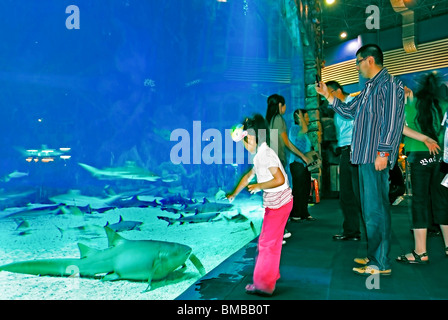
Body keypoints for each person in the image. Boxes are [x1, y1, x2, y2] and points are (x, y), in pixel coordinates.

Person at [316, 44, 405, 276]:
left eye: (358, 61)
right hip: (362, 156)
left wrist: (384, 153)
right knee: (370, 209)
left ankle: (380, 262)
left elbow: (394, 123)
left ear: (370, 60)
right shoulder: (368, 89)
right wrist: (327, 94)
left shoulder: (390, 85)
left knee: (376, 209)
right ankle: (375, 254)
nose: (356, 66)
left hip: (375, 156)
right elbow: (347, 111)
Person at [227, 114, 293, 296]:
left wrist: (259, 185)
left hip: (279, 203)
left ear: (258, 137)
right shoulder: (259, 154)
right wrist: (234, 193)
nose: (245, 144)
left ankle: (264, 285)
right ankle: (268, 277)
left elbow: (279, 179)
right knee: (269, 242)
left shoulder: (266, 154)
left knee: (266, 243)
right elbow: (248, 176)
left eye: (247, 139)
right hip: (277, 203)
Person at [396, 72, 448, 264]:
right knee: (442, 200)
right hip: (441, 157)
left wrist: (424, 139)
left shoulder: (409, 105)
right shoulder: (443, 105)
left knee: (420, 202)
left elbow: (400, 127)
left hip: (419, 157)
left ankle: (420, 251)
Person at [325, 81, 362, 241]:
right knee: (347, 193)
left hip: (355, 149)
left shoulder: (351, 103)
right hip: (346, 151)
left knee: (357, 193)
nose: (327, 97)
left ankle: (365, 232)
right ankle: (351, 231)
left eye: (329, 93)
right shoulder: (337, 108)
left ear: (338, 90)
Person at [288, 109, 314, 221]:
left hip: (304, 164)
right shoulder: (295, 129)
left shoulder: (302, 131)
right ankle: (295, 213)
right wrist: (301, 118)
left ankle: (304, 212)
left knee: (305, 188)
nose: (308, 120)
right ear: (299, 118)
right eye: (305, 117)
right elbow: (304, 129)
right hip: (297, 163)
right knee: (298, 189)